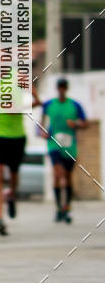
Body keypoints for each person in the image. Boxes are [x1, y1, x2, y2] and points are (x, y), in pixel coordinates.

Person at [0, 53, 40, 236]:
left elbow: (37, 100)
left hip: (15, 135)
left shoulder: (19, 78)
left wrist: (19, 108)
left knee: (13, 175)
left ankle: (11, 193)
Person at [41, 78, 88, 223]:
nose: (61, 90)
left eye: (63, 87)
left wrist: (76, 124)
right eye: (59, 87)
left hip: (70, 145)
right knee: (58, 174)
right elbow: (42, 122)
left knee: (67, 177)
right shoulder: (49, 104)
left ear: (66, 89)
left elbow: (85, 123)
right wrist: (43, 132)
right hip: (54, 144)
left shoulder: (75, 105)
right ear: (57, 89)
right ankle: (58, 207)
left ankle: (66, 207)